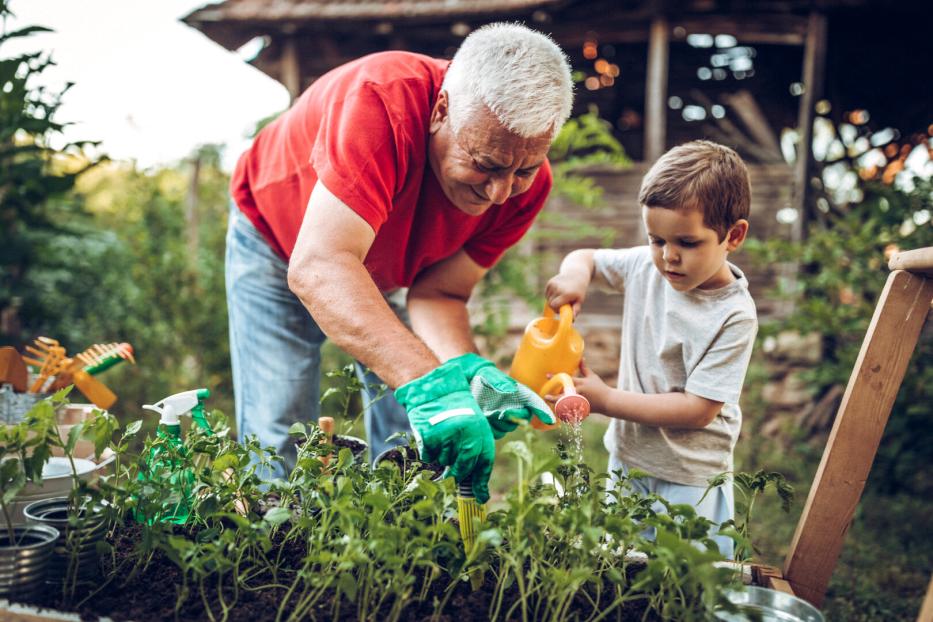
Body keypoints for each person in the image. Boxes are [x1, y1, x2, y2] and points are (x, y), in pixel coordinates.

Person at [225, 23, 574, 503]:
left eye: (524, 169)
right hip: (275, 239)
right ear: (441, 110)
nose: (500, 192)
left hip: (371, 262)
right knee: (279, 423)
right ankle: (274, 557)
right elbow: (321, 266)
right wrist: (431, 384)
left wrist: (466, 372)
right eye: (487, 164)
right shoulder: (379, 102)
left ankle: (393, 543)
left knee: (411, 432)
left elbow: (440, 292)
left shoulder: (522, 187)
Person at [544, 140, 757, 558]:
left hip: (690, 477)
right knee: (622, 576)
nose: (668, 257)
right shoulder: (646, 265)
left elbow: (698, 410)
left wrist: (605, 400)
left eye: (687, 243)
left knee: (684, 584)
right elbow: (584, 256)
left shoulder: (734, 315)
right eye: (656, 239)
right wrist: (574, 278)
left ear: (733, 236)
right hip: (627, 459)